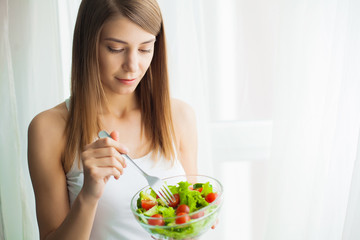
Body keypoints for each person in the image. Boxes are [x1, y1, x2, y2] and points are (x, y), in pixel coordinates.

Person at [27, 0, 198, 239]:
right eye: (116, 49)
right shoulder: (49, 129)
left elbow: (185, 220)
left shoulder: (180, 117)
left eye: (145, 49)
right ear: (88, 44)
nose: (132, 66)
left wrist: (198, 218)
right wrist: (89, 194)